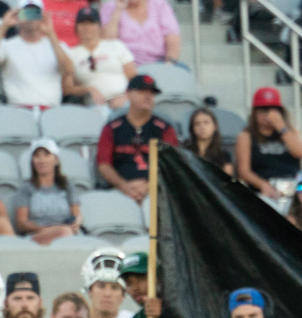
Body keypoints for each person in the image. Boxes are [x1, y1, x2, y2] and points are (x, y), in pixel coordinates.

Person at [96, 74, 179, 204]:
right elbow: (103, 164)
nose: (148, 96)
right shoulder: (112, 128)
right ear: (128, 94)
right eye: (142, 91)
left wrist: (149, 186)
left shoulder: (165, 129)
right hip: (119, 191)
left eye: (152, 93)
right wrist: (123, 186)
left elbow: (172, 165)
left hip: (157, 191)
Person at [0, 1, 76, 112]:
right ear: (18, 15)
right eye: (26, 13)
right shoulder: (7, 45)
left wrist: (51, 33)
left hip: (50, 112)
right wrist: (3, 26)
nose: (31, 18)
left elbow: (69, 70)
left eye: (35, 13)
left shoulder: (57, 46)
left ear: (42, 15)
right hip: (19, 111)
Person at [236, 86, 302, 199]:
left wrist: (281, 127)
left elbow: (300, 153)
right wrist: (262, 184)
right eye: (263, 109)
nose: (267, 114)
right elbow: (244, 171)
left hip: (290, 185)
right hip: (263, 188)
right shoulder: (246, 136)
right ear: (255, 112)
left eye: (272, 109)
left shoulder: (290, 132)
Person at [10, 138, 81, 244]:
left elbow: (76, 214)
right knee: (64, 232)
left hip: (67, 232)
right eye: (37, 155)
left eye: (46, 154)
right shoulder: (26, 188)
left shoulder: (66, 185)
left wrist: (77, 222)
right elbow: (21, 223)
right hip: (37, 235)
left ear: (56, 160)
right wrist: (47, 229)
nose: (41, 160)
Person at [63, 5, 136, 107]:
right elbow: (67, 88)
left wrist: (125, 96)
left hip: (123, 101)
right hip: (92, 105)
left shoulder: (115, 45)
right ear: (76, 27)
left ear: (100, 27)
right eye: (82, 23)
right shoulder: (71, 53)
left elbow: (133, 77)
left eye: (91, 23)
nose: (87, 27)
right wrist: (88, 89)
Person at [98, 0, 180, 67]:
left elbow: (173, 41)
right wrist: (118, 10)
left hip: (159, 64)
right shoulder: (109, 7)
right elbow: (108, 43)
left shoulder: (160, 5)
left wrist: (168, 66)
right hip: (124, 66)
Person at [183, 107, 232, 175]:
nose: (202, 127)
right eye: (197, 124)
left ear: (215, 126)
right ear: (192, 128)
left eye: (206, 122)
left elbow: (227, 179)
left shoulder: (223, 155)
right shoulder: (185, 151)